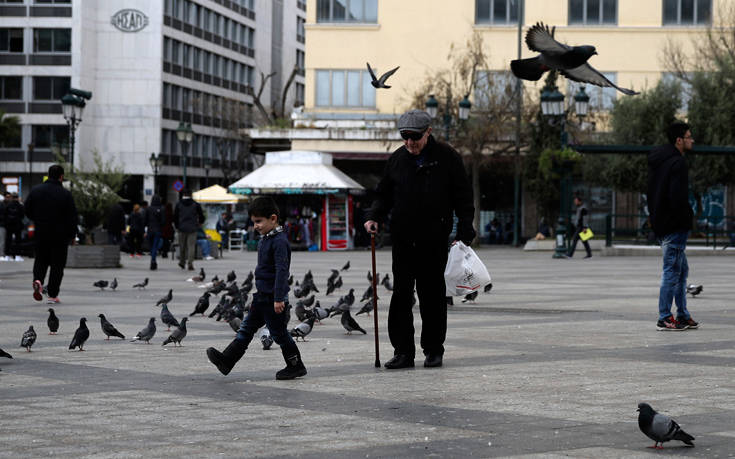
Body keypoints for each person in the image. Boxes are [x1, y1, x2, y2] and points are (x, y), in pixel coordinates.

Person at [364, 109, 475, 370]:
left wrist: (465, 232)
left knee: (432, 295)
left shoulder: (447, 157)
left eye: (415, 137)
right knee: (401, 294)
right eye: (405, 138)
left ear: (429, 132)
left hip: (434, 239)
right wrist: (373, 216)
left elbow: (463, 198)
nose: (410, 143)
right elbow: (383, 194)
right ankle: (403, 351)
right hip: (403, 238)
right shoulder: (398, 159)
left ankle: (434, 350)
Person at [206, 196, 307, 380]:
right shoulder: (265, 239)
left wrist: (278, 298)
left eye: (259, 221)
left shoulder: (279, 242)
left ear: (273, 219)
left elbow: (282, 271)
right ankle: (227, 361)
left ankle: (296, 365)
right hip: (262, 297)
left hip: (272, 298)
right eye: (254, 222)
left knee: (279, 334)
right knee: (246, 329)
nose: (256, 226)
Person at [648, 121, 698, 331]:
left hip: (661, 222)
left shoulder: (659, 161)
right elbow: (677, 197)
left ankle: (683, 315)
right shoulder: (678, 163)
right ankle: (665, 317)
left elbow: (652, 192)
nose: (692, 140)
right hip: (674, 226)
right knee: (671, 270)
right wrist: (687, 218)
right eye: (688, 137)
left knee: (681, 269)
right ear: (679, 140)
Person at [24, 165, 78, 304]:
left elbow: (27, 209)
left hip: (41, 233)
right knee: (57, 266)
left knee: (40, 260)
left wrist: (37, 219)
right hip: (60, 236)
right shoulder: (65, 194)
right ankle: (53, 294)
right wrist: (72, 235)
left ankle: (38, 280)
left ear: (48, 175)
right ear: (61, 176)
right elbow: (72, 217)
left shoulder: (36, 191)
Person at [173, 188, 204, 271]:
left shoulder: (179, 204)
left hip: (182, 228)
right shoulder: (196, 204)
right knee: (191, 247)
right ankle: (190, 263)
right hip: (192, 228)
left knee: (182, 246)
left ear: (183, 195)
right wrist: (200, 223)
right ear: (191, 195)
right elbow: (201, 215)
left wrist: (177, 226)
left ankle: (182, 262)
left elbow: (175, 216)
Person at [567, 194, 592, 259]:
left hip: (581, 227)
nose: (575, 202)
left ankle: (570, 254)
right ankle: (589, 254)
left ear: (579, 201)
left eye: (576, 201)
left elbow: (585, 219)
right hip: (579, 227)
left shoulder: (583, 208)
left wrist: (584, 227)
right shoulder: (580, 208)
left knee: (575, 240)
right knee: (585, 241)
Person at [144, 195, 165, 270]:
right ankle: (153, 260)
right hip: (158, 230)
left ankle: (153, 259)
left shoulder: (148, 209)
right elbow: (163, 221)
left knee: (151, 246)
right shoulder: (162, 209)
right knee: (155, 246)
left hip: (150, 230)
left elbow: (145, 220)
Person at [3, 192, 25, 261]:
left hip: (9, 225)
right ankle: (17, 256)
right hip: (17, 225)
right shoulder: (20, 206)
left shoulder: (8, 205)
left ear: (12, 197)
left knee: (8, 240)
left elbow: (4, 215)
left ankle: (7, 256)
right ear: (17, 198)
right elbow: (22, 216)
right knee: (18, 241)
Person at [0, 191, 8, 260]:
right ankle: (1, 255)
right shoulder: (2, 205)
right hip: (2, 225)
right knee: (2, 240)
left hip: (3, 224)